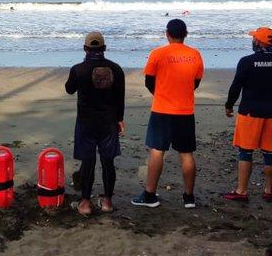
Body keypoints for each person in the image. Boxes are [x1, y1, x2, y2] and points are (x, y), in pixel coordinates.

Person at [132, 18, 204, 209]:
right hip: (185, 110)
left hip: (162, 110)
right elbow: (195, 82)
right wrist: (181, 94)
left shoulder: (158, 53)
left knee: (157, 151)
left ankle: (150, 195)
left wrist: (161, 94)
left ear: (167, 34)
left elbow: (149, 81)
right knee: (186, 153)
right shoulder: (195, 54)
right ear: (185, 34)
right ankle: (189, 197)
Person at [223, 27, 272, 202]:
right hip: (270, 110)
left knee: (246, 151)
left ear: (258, 42)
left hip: (250, 111)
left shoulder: (247, 61)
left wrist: (229, 105)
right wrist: (271, 99)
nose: (252, 41)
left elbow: (236, 86)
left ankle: (242, 191)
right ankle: (268, 191)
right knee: (269, 151)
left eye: (254, 38)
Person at [65, 31, 126, 216]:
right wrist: (120, 119)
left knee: (88, 161)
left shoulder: (78, 69)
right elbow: (120, 98)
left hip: (86, 122)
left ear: (85, 48)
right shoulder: (116, 69)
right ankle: (107, 202)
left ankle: (85, 203)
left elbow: (69, 89)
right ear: (104, 48)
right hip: (109, 122)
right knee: (108, 162)